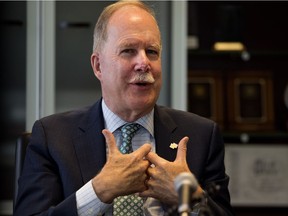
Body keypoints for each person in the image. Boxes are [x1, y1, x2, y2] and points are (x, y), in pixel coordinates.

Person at [14, 1, 234, 215]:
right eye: (128, 50)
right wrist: (99, 191)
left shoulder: (201, 136)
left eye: (152, 51)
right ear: (98, 66)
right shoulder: (53, 137)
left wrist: (188, 196)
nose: (144, 63)